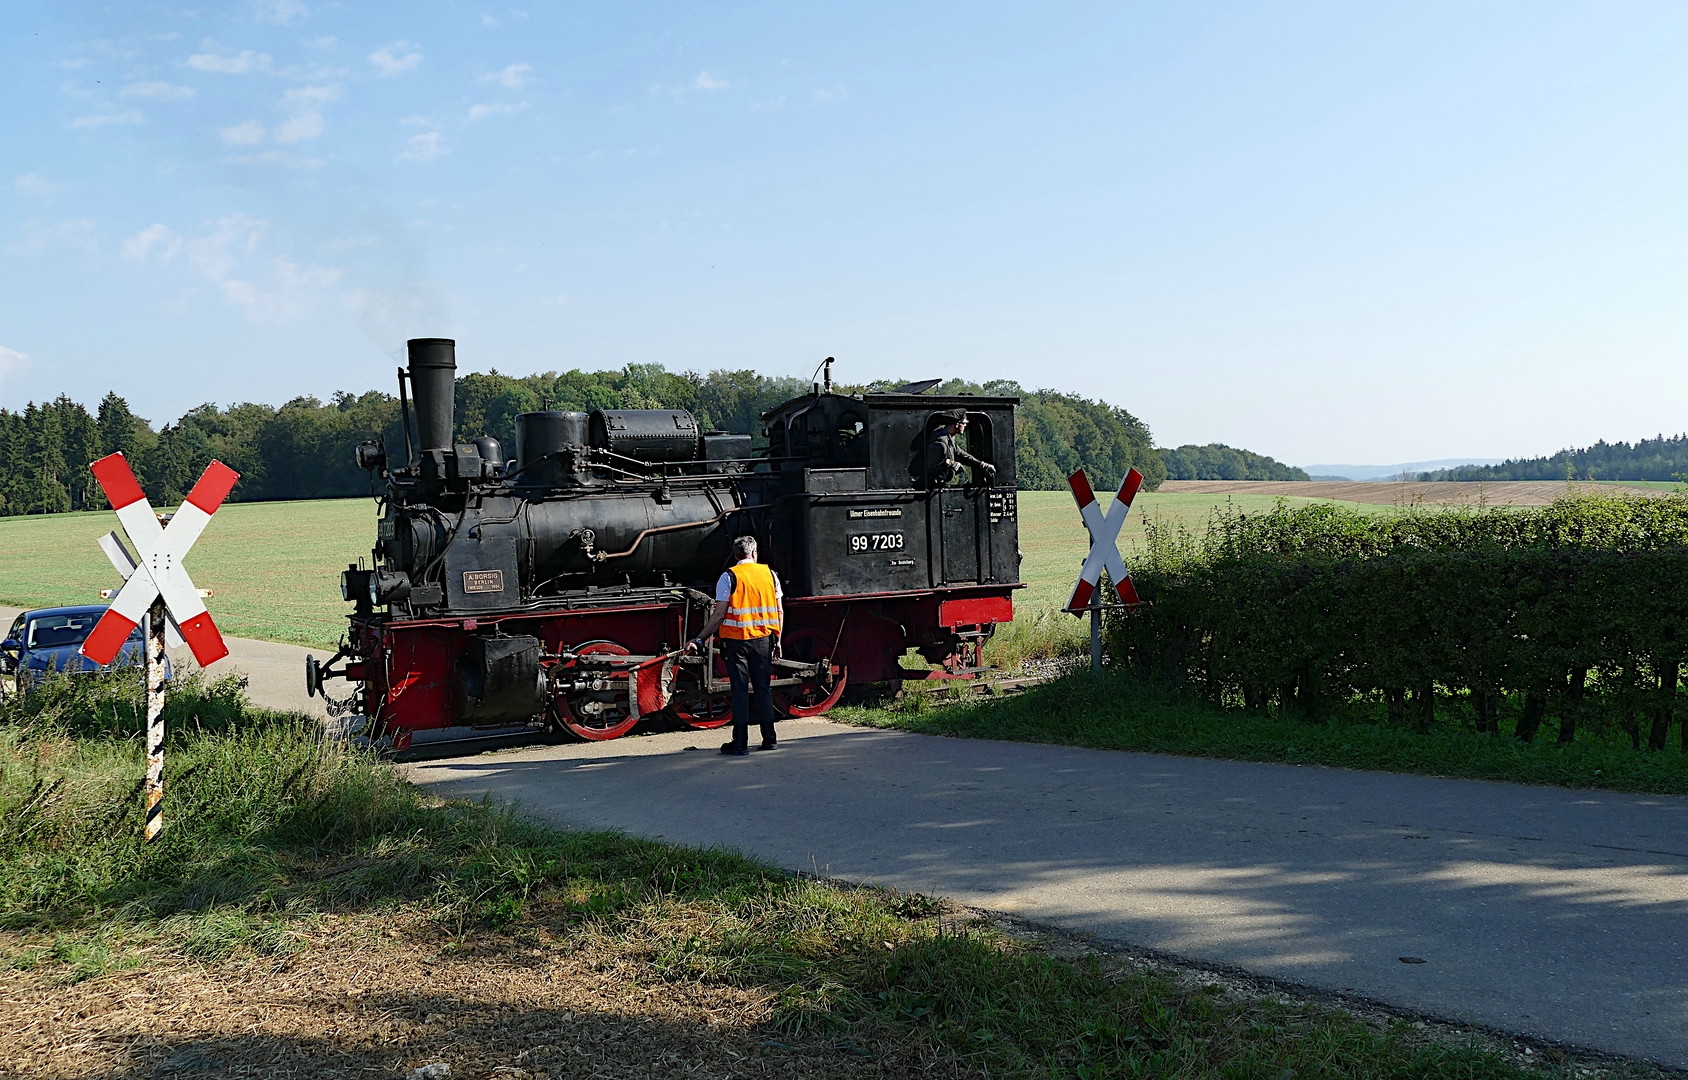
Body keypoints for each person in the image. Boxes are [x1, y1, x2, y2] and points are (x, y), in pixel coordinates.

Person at [686, 535, 783, 755]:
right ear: (755, 553)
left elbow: (719, 614)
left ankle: (740, 743)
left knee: (739, 691)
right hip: (763, 641)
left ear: (736, 554)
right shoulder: (770, 575)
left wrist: (699, 638)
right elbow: (779, 611)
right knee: (763, 690)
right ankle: (770, 739)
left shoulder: (729, 577)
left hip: (736, 643)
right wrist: (777, 639)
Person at [924, 409, 997, 487]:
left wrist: (983, 465)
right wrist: (949, 463)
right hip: (934, 488)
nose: (965, 425)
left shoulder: (949, 439)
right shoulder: (940, 442)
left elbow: (963, 456)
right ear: (957, 424)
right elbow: (930, 466)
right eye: (964, 423)